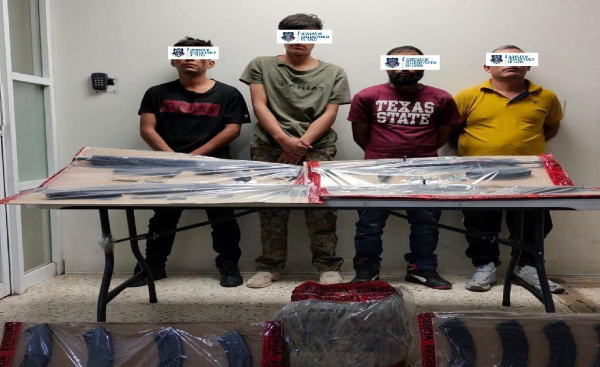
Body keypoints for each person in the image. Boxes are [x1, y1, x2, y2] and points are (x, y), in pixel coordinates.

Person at [240, 13, 351, 288]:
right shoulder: (261, 64)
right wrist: (283, 140)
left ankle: (328, 266)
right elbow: (259, 105)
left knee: (320, 208)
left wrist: (299, 147)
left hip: (317, 146)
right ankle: (270, 266)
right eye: (290, 34)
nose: (298, 40)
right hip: (270, 146)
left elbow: (330, 113)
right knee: (272, 209)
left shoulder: (334, 72)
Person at [133, 36, 251, 288]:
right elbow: (147, 129)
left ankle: (228, 266)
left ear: (211, 62)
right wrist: (175, 159)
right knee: (162, 219)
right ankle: (152, 267)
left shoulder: (228, 93)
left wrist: (194, 158)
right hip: (169, 166)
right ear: (173, 61)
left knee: (223, 218)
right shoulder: (156, 93)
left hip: (215, 167)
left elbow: (233, 130)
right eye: (183, 54)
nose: (189, 58)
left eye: (198, 54)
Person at [454, 45, 564, 293]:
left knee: (534, 222)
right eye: (502, 59)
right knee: (480, 222)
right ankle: (485, 267)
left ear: (528, 65)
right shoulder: (468, 96)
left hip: (530, 173)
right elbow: (451, 130)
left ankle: (527, 268)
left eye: (517, 59)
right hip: (478, 172)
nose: (510, 62)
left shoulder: (546, 97)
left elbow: (550, 129)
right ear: (487, 67)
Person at [348, 46, 460, 289]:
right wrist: (384, 155)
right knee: (369, 224)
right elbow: (360, 136)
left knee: (426, 223)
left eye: (413, 63)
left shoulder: (442, 98)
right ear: (387, 66)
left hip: (425, 168)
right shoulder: (367, 96)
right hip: (377, 169)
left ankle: (422, 268)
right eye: (397, 63)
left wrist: (419, 154)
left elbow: (442, 135)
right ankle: (367, 270)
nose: (405, 68)